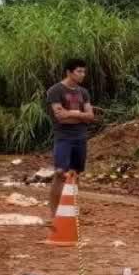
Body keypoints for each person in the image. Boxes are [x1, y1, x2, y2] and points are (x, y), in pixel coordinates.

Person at [46, 59, 97, 222]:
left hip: (81, 137)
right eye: (79, 71)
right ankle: (54, 215)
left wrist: (72, 113)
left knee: (75, 174)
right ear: (69, 72)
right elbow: (60, 118)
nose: (83, 75)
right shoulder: (55, 90)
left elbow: (90, 117)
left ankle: (71, 213)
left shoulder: (84, 92)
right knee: (60, 173)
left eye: (84, 71)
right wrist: (80, 115)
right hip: (64, 137)